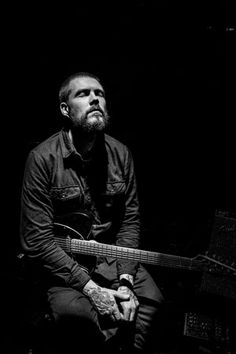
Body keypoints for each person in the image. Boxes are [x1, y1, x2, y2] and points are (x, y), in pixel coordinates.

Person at [20, 71, 164, 354]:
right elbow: (36, 241)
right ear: (65, 109)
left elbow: (129, 222)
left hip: (111, 258)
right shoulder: (42, 159)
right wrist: (91, 289)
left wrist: (125, 281)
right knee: (79, 322)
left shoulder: (121, 154)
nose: (95, 99)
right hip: (64, 263)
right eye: (83, 94)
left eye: (99, 94)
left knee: (152, 304)